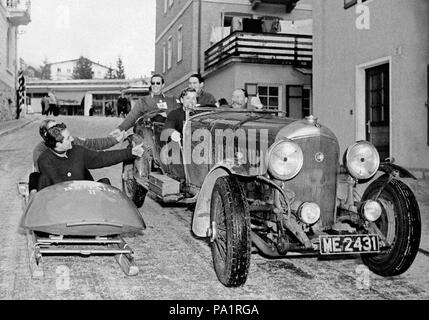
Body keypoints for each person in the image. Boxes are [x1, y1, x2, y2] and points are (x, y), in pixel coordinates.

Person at [37, 122, 144, 191]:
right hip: (60, 204)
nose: (72, 139)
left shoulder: (77, 151)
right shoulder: (44, 160)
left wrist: (130, 153)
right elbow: (58, 184)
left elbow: (102, 158)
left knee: (105, 184)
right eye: (68, 138)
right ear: (57, 144)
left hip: (84, 198)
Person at [110, 74, 179, 137]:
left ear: (163, 85)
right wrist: (120, 129)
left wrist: (166, 113)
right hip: (150, 134)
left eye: (158, 83)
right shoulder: (143, 101)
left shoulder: (171, 100)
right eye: (153, 83)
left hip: (169, 134)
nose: (155, 85)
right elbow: (132, 116)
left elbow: (180, 112)